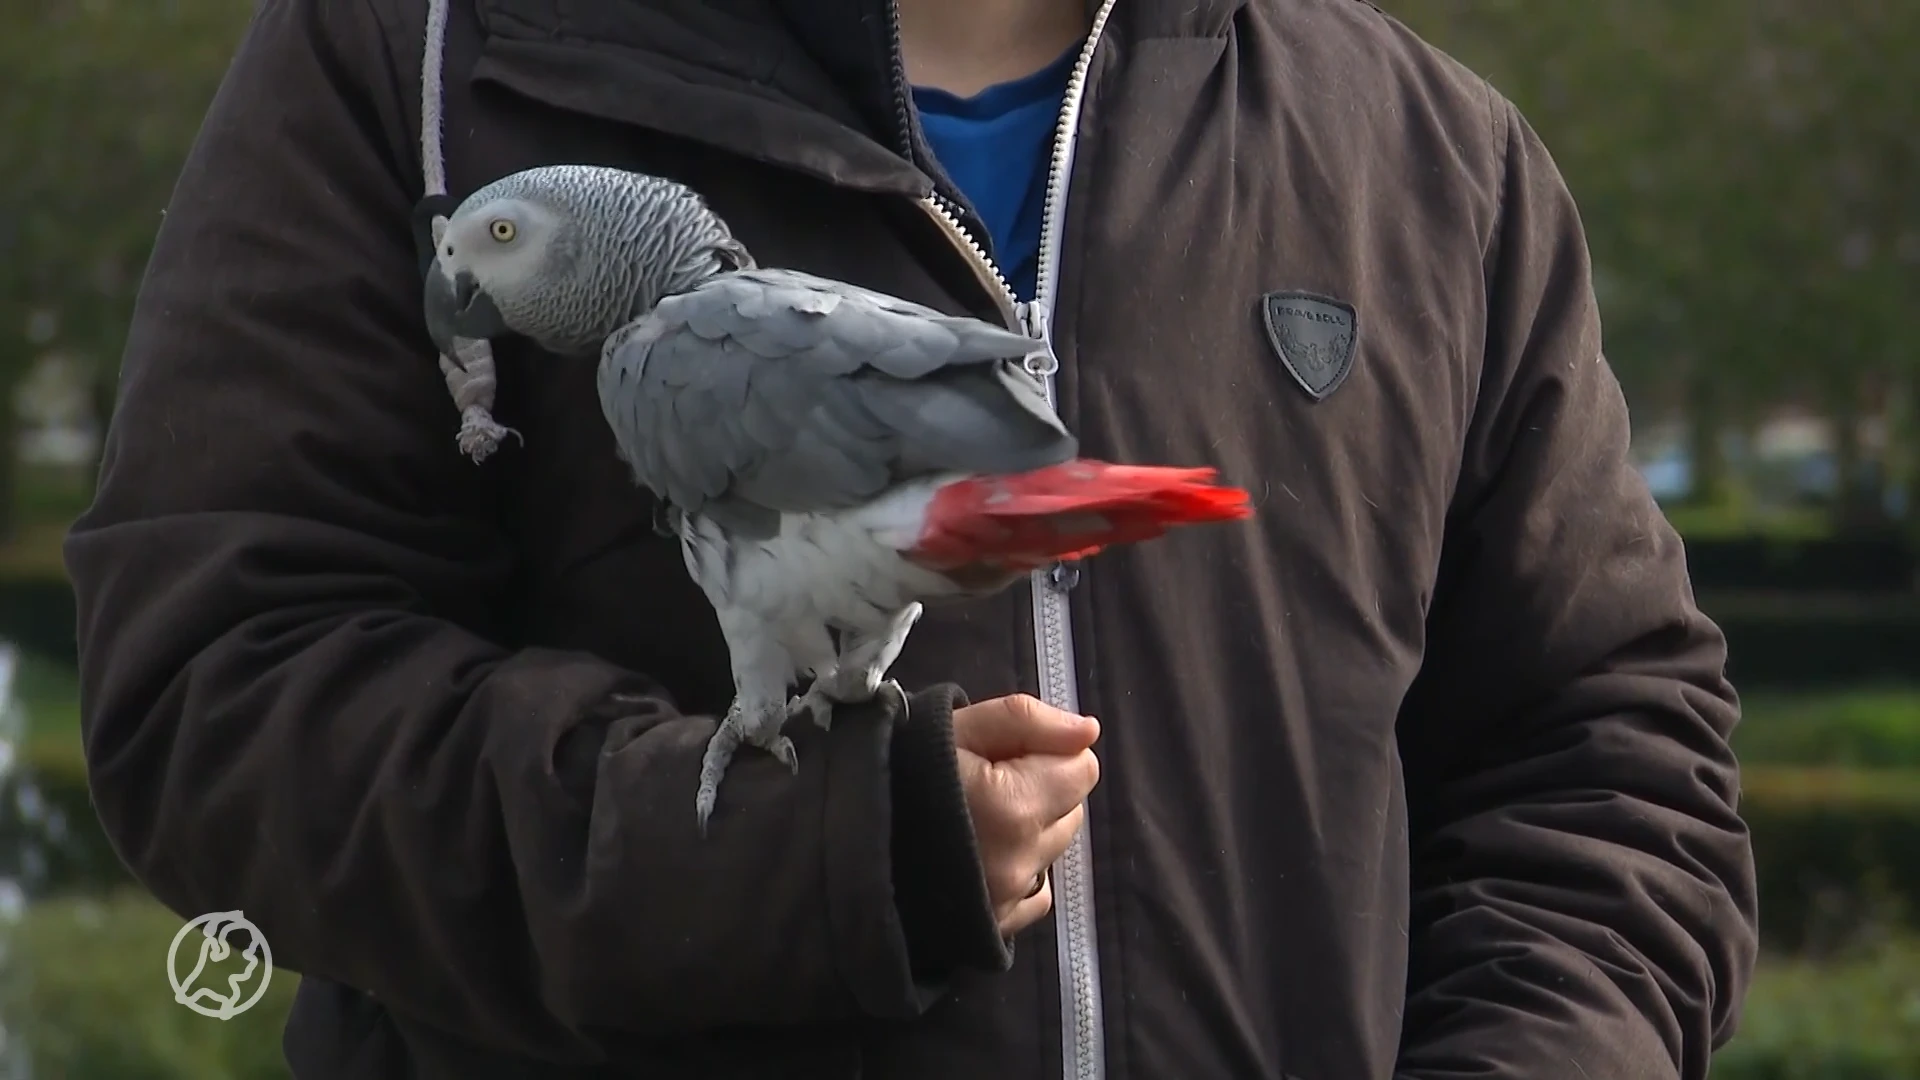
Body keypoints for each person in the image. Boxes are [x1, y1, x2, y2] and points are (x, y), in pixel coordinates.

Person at [64, 0, 1759, 1076]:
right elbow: (224, 688)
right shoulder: (411, 66)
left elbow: (1608, 767)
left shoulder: (1431, 160)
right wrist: (791, 854)